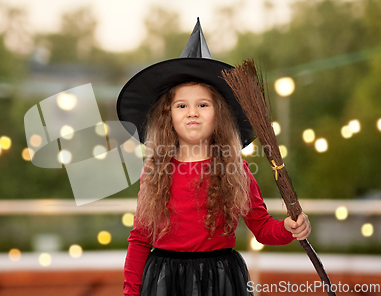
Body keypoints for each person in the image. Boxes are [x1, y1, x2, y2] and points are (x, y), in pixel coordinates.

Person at [116, 19, 311, 296]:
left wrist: (289, 228)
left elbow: (262, 227)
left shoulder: (236, 169)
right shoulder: (155, 171)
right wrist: (130, 292)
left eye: (203, 105)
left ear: (218, 114)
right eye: (182, 105)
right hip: (164, 281)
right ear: (167, 116)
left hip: (221, 280)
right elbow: (139, 239)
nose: (192, 112)